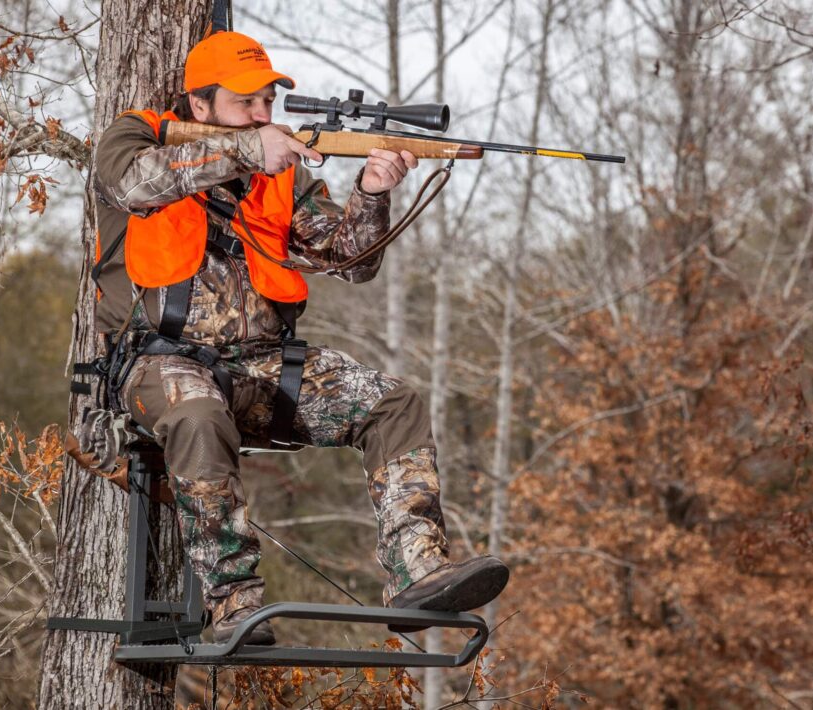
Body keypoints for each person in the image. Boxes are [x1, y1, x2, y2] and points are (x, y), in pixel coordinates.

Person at [90, 31, 507, 645]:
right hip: (160, 364)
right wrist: (245, 151)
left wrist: (372, 190)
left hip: (264, 368)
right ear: (200, 105)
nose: (264, 115)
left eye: (268, 102)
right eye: (247, 103)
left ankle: (418, 571)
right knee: (198, 414)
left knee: (393, 403)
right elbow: (132, 183)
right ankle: (233, 602)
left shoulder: (282, 173)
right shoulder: (136, 137)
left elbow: (353, 260)